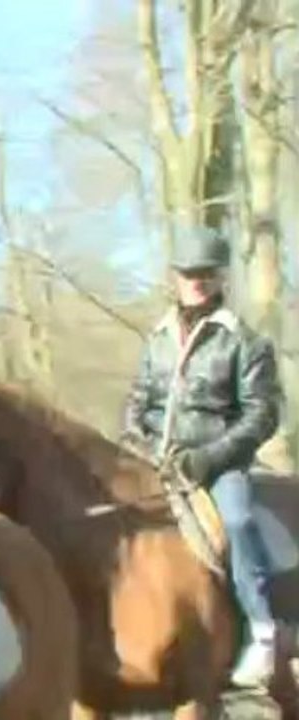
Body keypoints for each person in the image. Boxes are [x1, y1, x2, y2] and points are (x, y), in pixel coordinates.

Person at [122, 224, 283, 688]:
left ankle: (263, 628)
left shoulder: (244, 341)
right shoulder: (158, 338)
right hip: (156, 460)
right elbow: (137, 403)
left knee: (237, 520)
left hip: (218, 463)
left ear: (220, 278)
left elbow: (261, 415)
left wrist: (209, 457)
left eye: (206, 273)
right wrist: (144, 447)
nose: (197, 281)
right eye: (189, 273)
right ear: (175, 277)